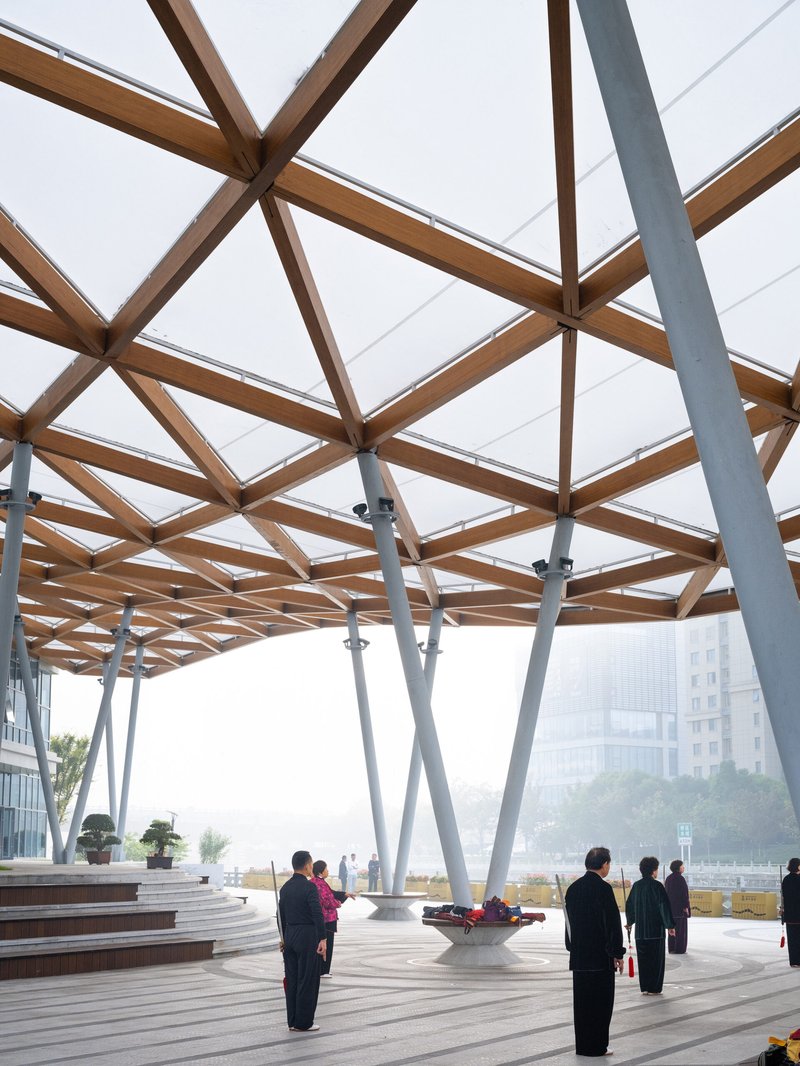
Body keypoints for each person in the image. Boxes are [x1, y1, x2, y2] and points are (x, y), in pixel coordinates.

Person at [564, 846, 625, 1058]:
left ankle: (583, 1046)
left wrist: (573, 947)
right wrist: (618, 953)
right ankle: (598, 1046)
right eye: (609, 864)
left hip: (580, 958)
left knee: (582, 1005)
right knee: (601, 1004)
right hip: (601, 958)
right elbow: (613, 925)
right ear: (604, 864)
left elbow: (568, 924)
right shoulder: (604, 889)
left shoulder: (573, 889)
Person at [278, 850, 327, 1033]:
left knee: (292, 979)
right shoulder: (309, 887)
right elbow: (317, 914)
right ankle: (304, 1023)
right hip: (307, 935)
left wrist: (282, 937)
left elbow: (279, 915)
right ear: (307, 865)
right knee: (307, 979)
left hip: (289, 934)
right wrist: (322, 938)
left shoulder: (285, 888)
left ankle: (292, 1021)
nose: (312, 866)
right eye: (311, 863)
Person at [625, 856, 676, 995]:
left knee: (643, 961)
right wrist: (670, 925)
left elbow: (630, 906)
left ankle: (645, 987)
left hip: (640, 932)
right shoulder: (657, 886)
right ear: (653, 870)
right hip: (655, 932)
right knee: (656, 961)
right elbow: (663, 906)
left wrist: (630, 922)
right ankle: (654, 988)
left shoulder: (636, 886)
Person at [311, 860, 355, 978]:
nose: (328, 871)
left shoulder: (317, 882)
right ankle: (323, 970)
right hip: (327, 919)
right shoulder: (319, 883)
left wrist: (345, 894)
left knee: (320, 944)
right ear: (320, 871)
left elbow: (331, 893)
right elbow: (327, 900)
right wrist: (338, 903)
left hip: (321, 919)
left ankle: (321, 969)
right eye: (326, 868)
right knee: (327, 944)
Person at [664, 859, 691, 954]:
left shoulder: (668, 878)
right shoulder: (680, 878)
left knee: (672, 929)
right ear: (678, 868)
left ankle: (672, 948)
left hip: (670, 909)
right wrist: (685, 907)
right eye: (682, 866)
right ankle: (680, 949)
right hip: (680, 910)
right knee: (680, 930)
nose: (683, 867)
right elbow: (684, 895)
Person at [780, 857, 800, 968]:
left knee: (792, 939)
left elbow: (783, 897)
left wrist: (782, 909)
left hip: (790, 915)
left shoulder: (786, 879)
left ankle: (794, 961)